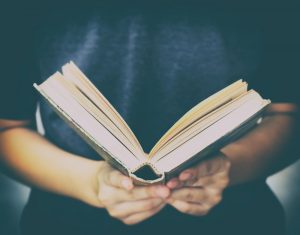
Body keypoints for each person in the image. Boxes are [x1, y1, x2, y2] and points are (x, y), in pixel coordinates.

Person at [0, 1, 299, 235]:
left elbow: (287, 113)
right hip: (66, 223)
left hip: (237, 223)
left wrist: (230, 168)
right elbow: (7, 130)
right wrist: (90, 183)